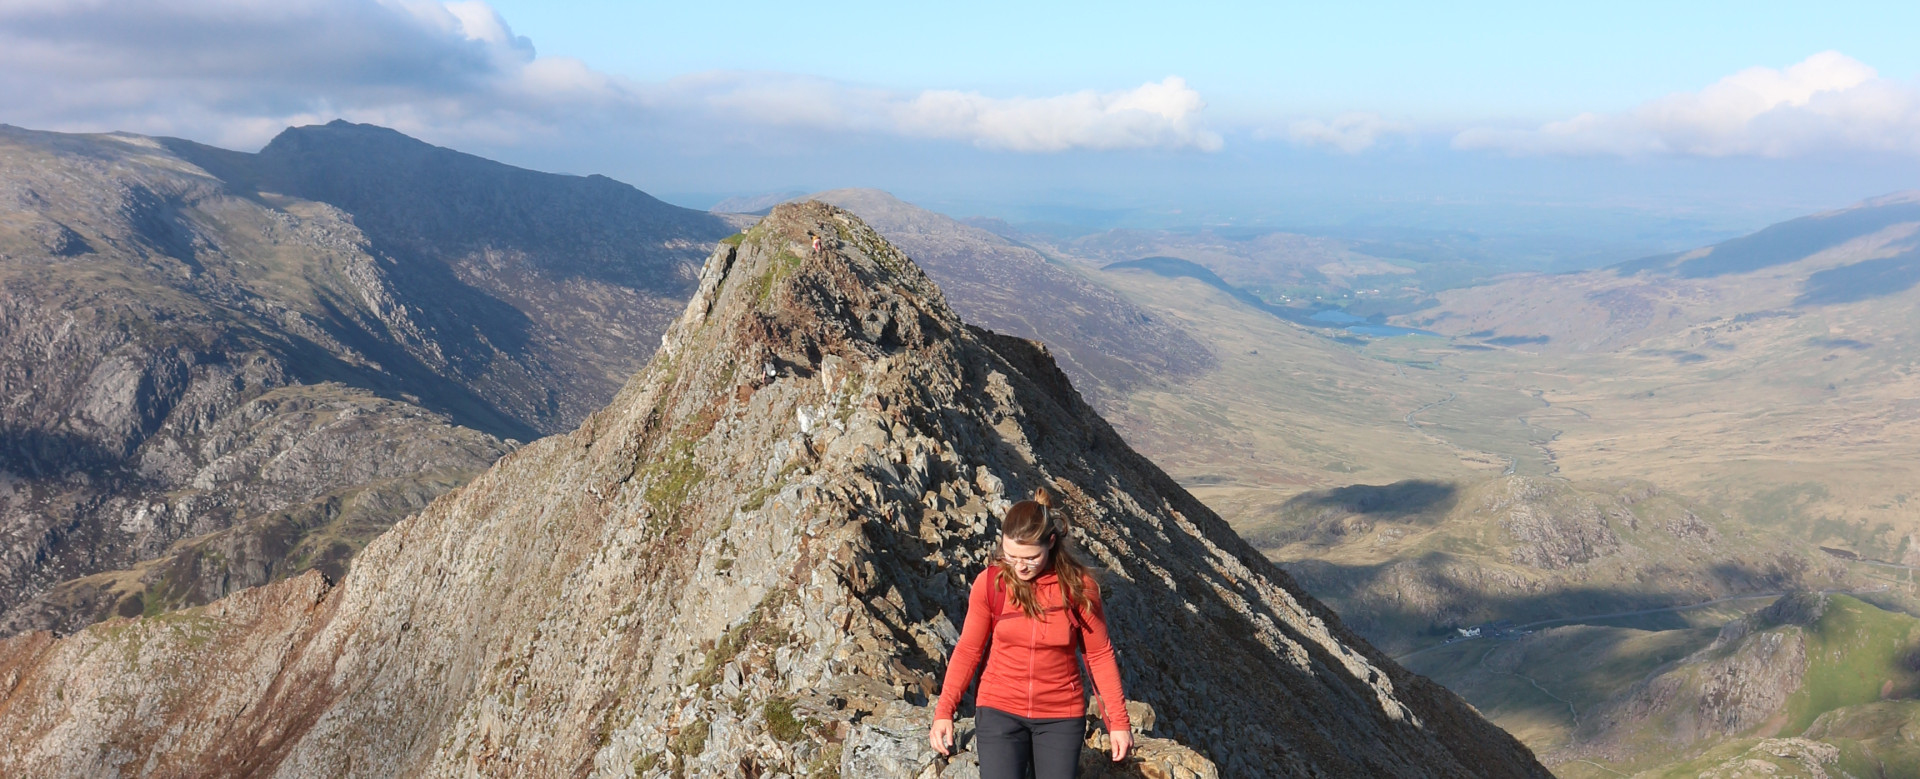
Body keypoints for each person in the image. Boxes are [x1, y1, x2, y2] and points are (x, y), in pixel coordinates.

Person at [929, 487, 1133, 778]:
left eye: (1030, 558)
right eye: (1011, 556)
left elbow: (1099, 655)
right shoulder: (991, 583)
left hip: (1061, 715)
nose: (1019, 566)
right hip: (998, 708)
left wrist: (1119, 723)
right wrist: (944, 712)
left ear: (1051, 542)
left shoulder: (1079, 587)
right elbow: (968, 650)